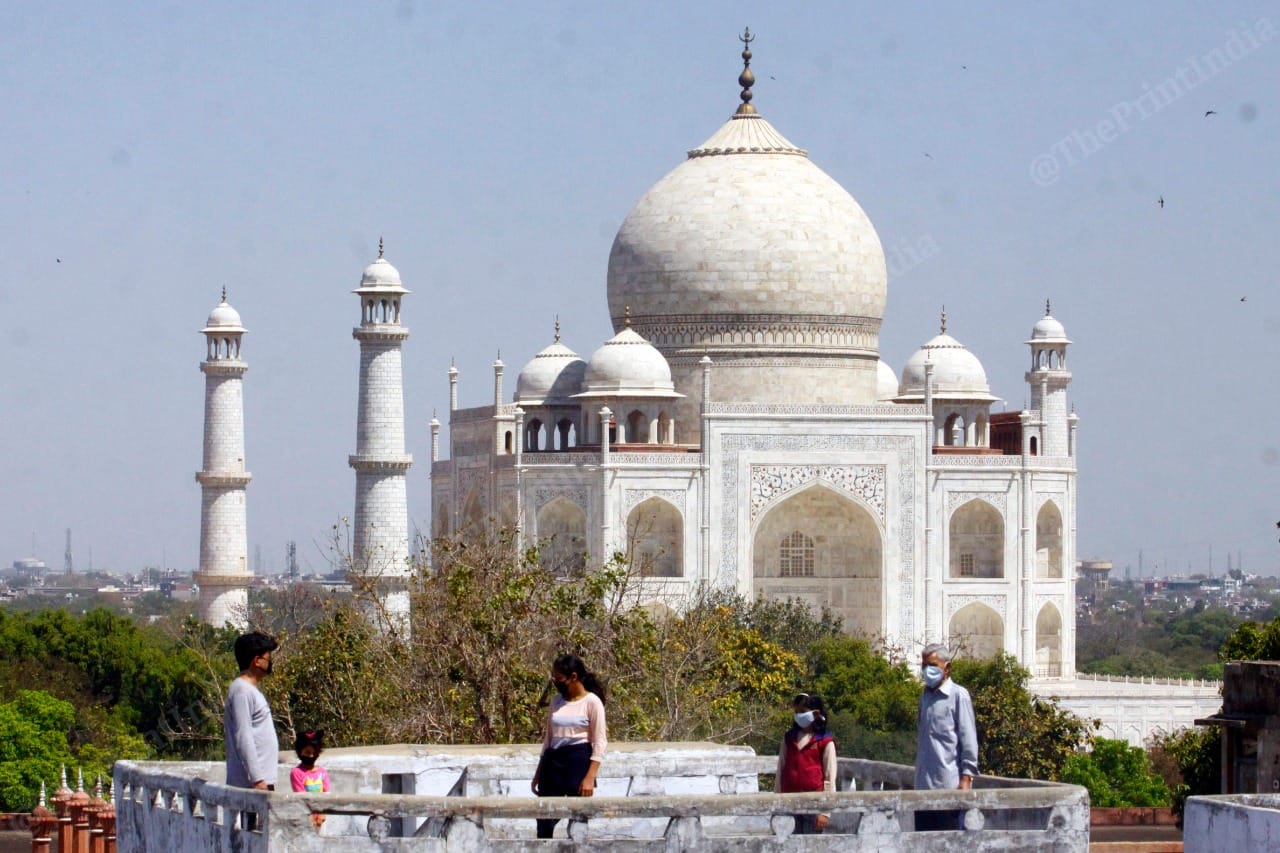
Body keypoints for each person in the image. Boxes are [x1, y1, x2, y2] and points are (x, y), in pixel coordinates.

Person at [531, 653, 607, 839]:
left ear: (573, 677)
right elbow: (549, 738)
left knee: (578, 818)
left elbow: (600, 741)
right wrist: (539, 771)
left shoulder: (592, 702)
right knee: (544, 819)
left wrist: (590, 777)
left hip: (577, 762)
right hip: (553, 762)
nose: (556, 682)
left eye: (559, 679)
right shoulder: (556, 701)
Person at [914, 642, 979, 831]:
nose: (927, 671)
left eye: (932, 666)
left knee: (949, 843)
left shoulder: (959, 696)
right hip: (923, 788)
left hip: (949, 785)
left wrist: (966, 779)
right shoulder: (925, 696)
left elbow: (969, 740)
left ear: (947, 667)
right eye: (924, 666)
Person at [225, 631, 280, 792]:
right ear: (257, 661)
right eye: (267, 659)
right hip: (251, 785)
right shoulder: (242, 691)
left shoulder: (248, 690)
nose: (269, 663)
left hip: (260, 781)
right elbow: (243, 735)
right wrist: (257, 779)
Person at [775, 692, 836, 834]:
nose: (798, 715)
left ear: (815, 714)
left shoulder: (824, 741)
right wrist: (776, 801)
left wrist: (825, 812)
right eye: (796, 712)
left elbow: (829, 777)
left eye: (802, 712)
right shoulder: (789, 738)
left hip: (813, 805)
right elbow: (781, 769)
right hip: (788, 803)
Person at [290, 729, 330, 828]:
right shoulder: (296, 773)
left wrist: (322, 813)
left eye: (314, 753)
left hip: (322, 818)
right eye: (307, 752)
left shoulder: (322, 772)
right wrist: (311, 816)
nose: (311, 756)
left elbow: (327, 794)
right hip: (306, 817)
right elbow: (301, 795)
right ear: (300, 752)